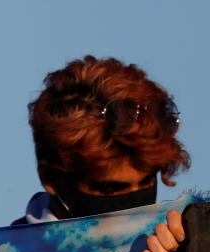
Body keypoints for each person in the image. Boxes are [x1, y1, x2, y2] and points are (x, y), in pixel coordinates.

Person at [14, 55, 189, 226]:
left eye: (147, 181)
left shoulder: (187, 245)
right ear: (52, 179)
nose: (138, 204)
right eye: (111, 189)